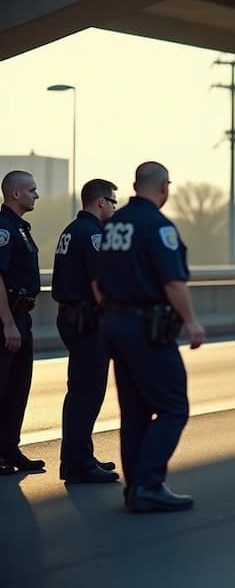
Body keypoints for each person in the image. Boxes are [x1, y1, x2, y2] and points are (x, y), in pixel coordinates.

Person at [94, 161, 206, 513]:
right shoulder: (157, 226)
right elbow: (173, 282)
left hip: (113, 323)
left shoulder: (114, 225)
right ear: (164, 187)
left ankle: (135, 489)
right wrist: (191, 323)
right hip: (146, 327)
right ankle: (149, 484)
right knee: (174, 407)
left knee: (135, 411)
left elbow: (96, 282)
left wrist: (115, 313)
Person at [52, 178, 120, 484]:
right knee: (86, 394)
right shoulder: (93, 234)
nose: (116, 207)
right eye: (113, 202)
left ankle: (80, 456)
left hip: (71, 317)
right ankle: (77, 464)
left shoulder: (72, 229)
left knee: (82, 391)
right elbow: (101, 280)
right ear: (101, 202)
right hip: (87, 320)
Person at [0, 170, 43, 475]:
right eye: (32, 190)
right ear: (15, 194)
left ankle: (8, 449)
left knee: (17, 387)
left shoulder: (20, 228)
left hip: (20, 315)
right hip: (7, 319)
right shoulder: (3, 228)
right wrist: (7, 322)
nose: (36, 195)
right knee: (2, 386)